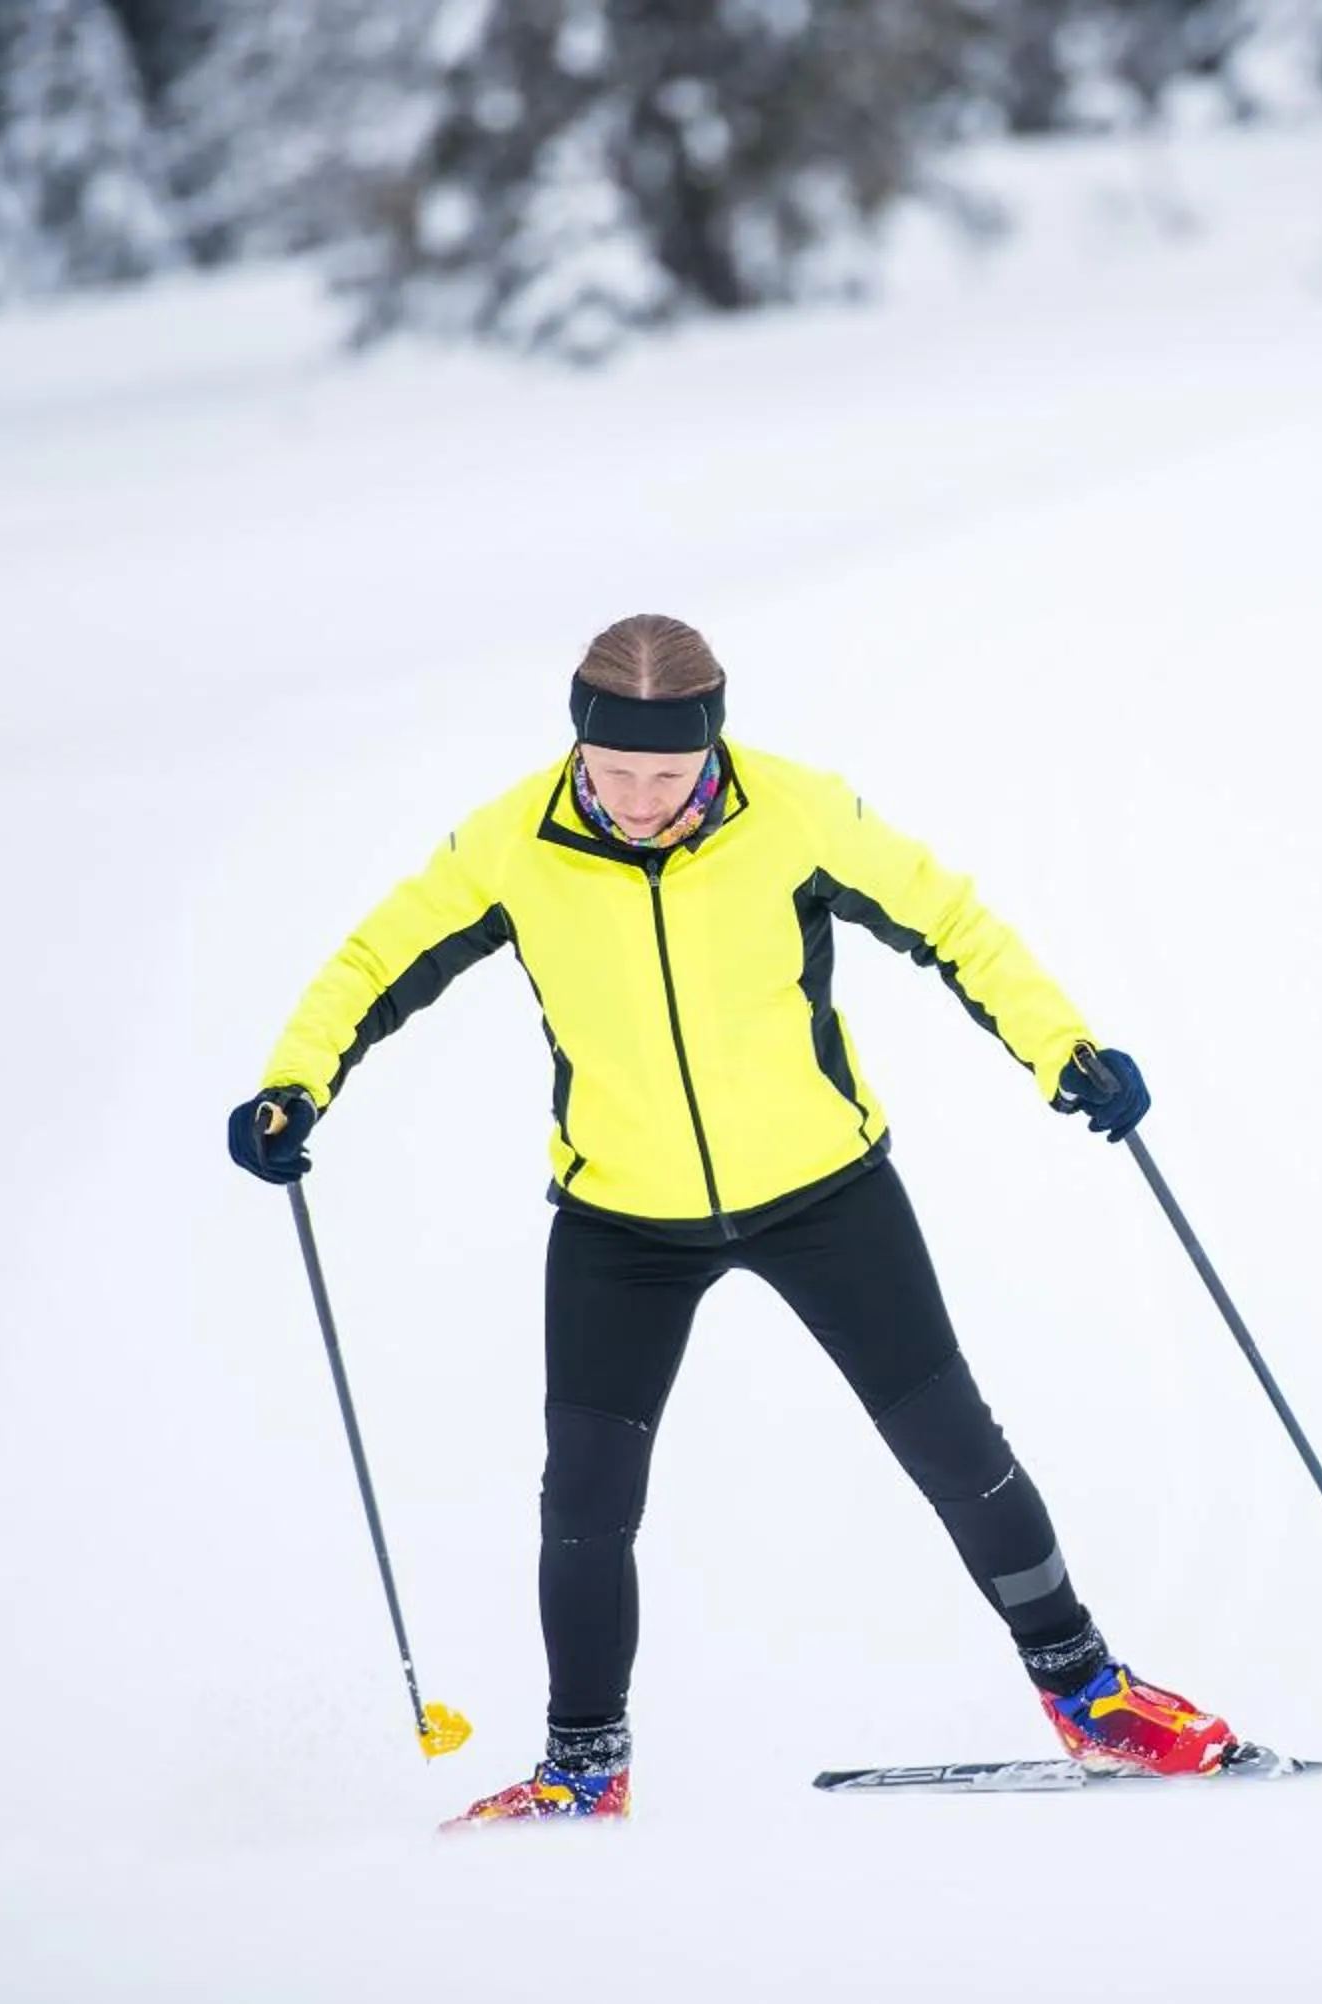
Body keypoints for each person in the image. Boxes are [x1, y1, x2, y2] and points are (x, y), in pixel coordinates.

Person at [228, 614, 1235, 1825]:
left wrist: (1061, 1048)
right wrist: (295, 1083)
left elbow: (954, 924)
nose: (640, 800)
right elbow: (373, 960)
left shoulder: (796, 814)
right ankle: (583, 1767)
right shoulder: (510, 845)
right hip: (620, 1223)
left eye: (668, 774)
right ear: (577, 743)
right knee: (584, 1503)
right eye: (614, 771)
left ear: (712, 745)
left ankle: (1089, 1695)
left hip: (826, 1194)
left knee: (955, 1448)